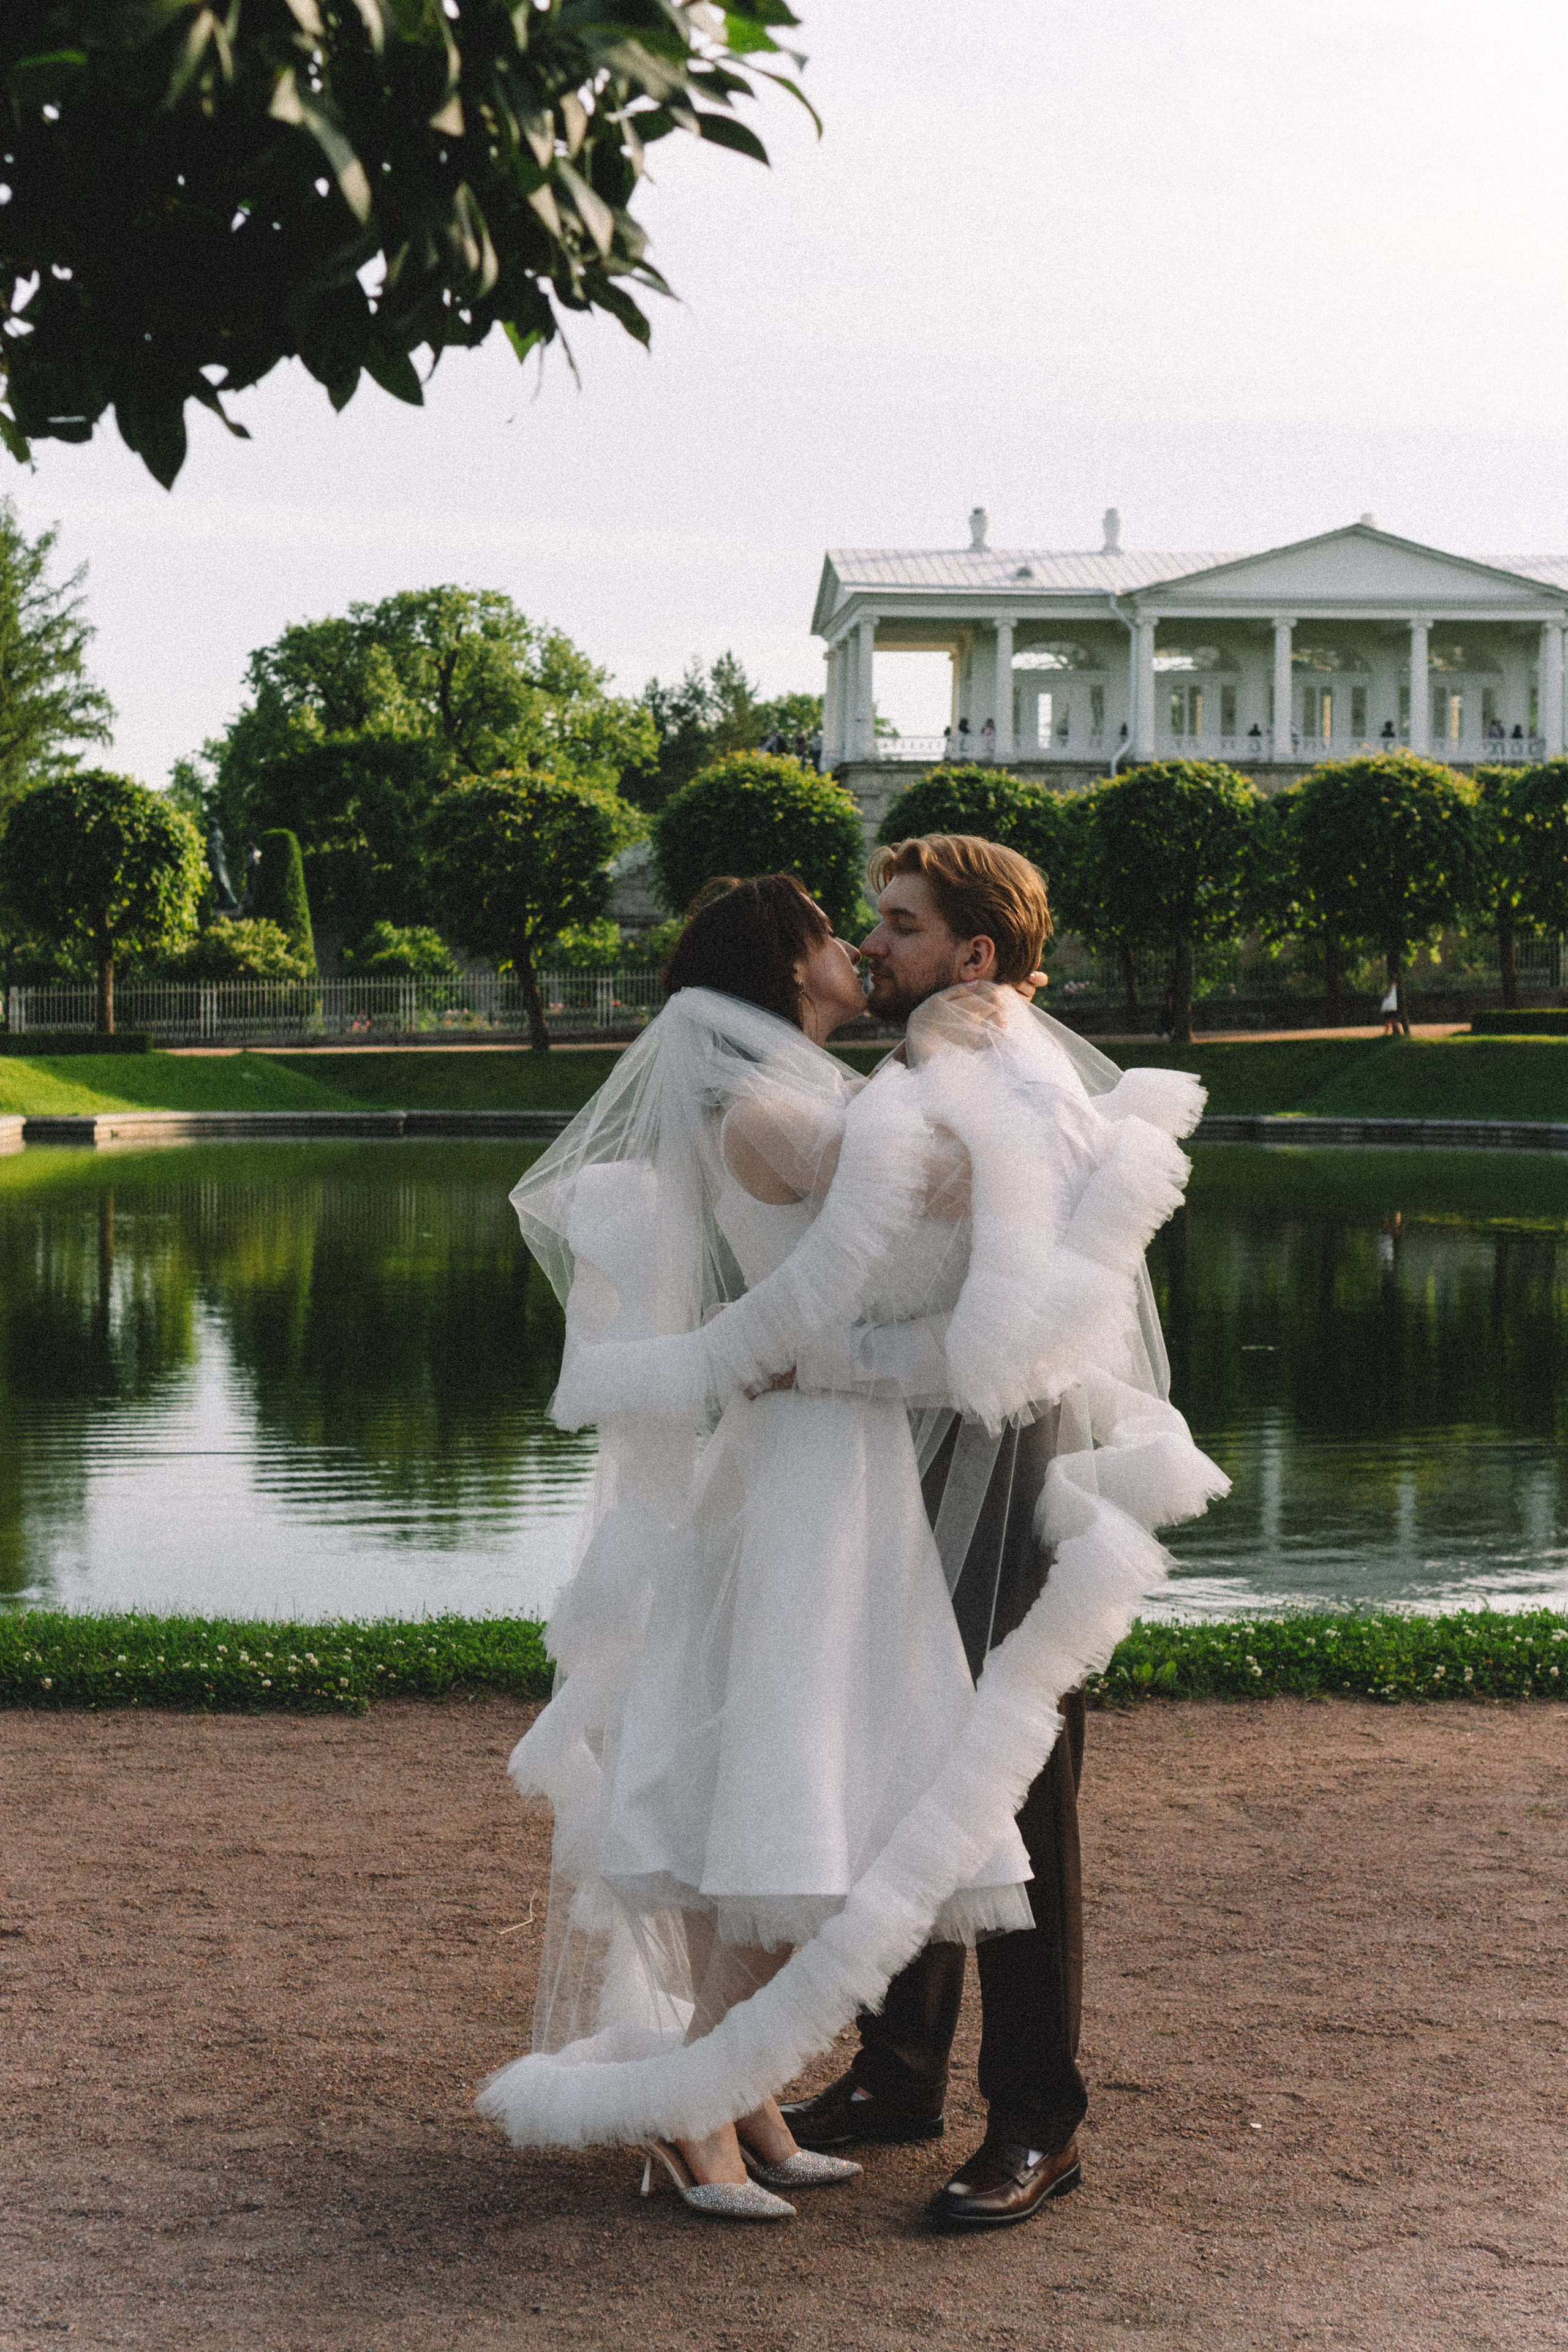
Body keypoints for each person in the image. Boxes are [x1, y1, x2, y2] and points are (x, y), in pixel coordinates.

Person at [476, 854, 1225, 2231]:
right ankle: (879, 2076)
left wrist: (802, 1367)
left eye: (896, 930)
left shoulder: (1001, 1074)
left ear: (977, 959)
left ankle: (1032, 2118)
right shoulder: (880, 1081)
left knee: (1003, 1778)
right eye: (854, 931)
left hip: (989, 1456)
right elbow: (850, 1242)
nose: (871, 953)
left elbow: (989, 1293)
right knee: (877, 1755)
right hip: (867, 1462)